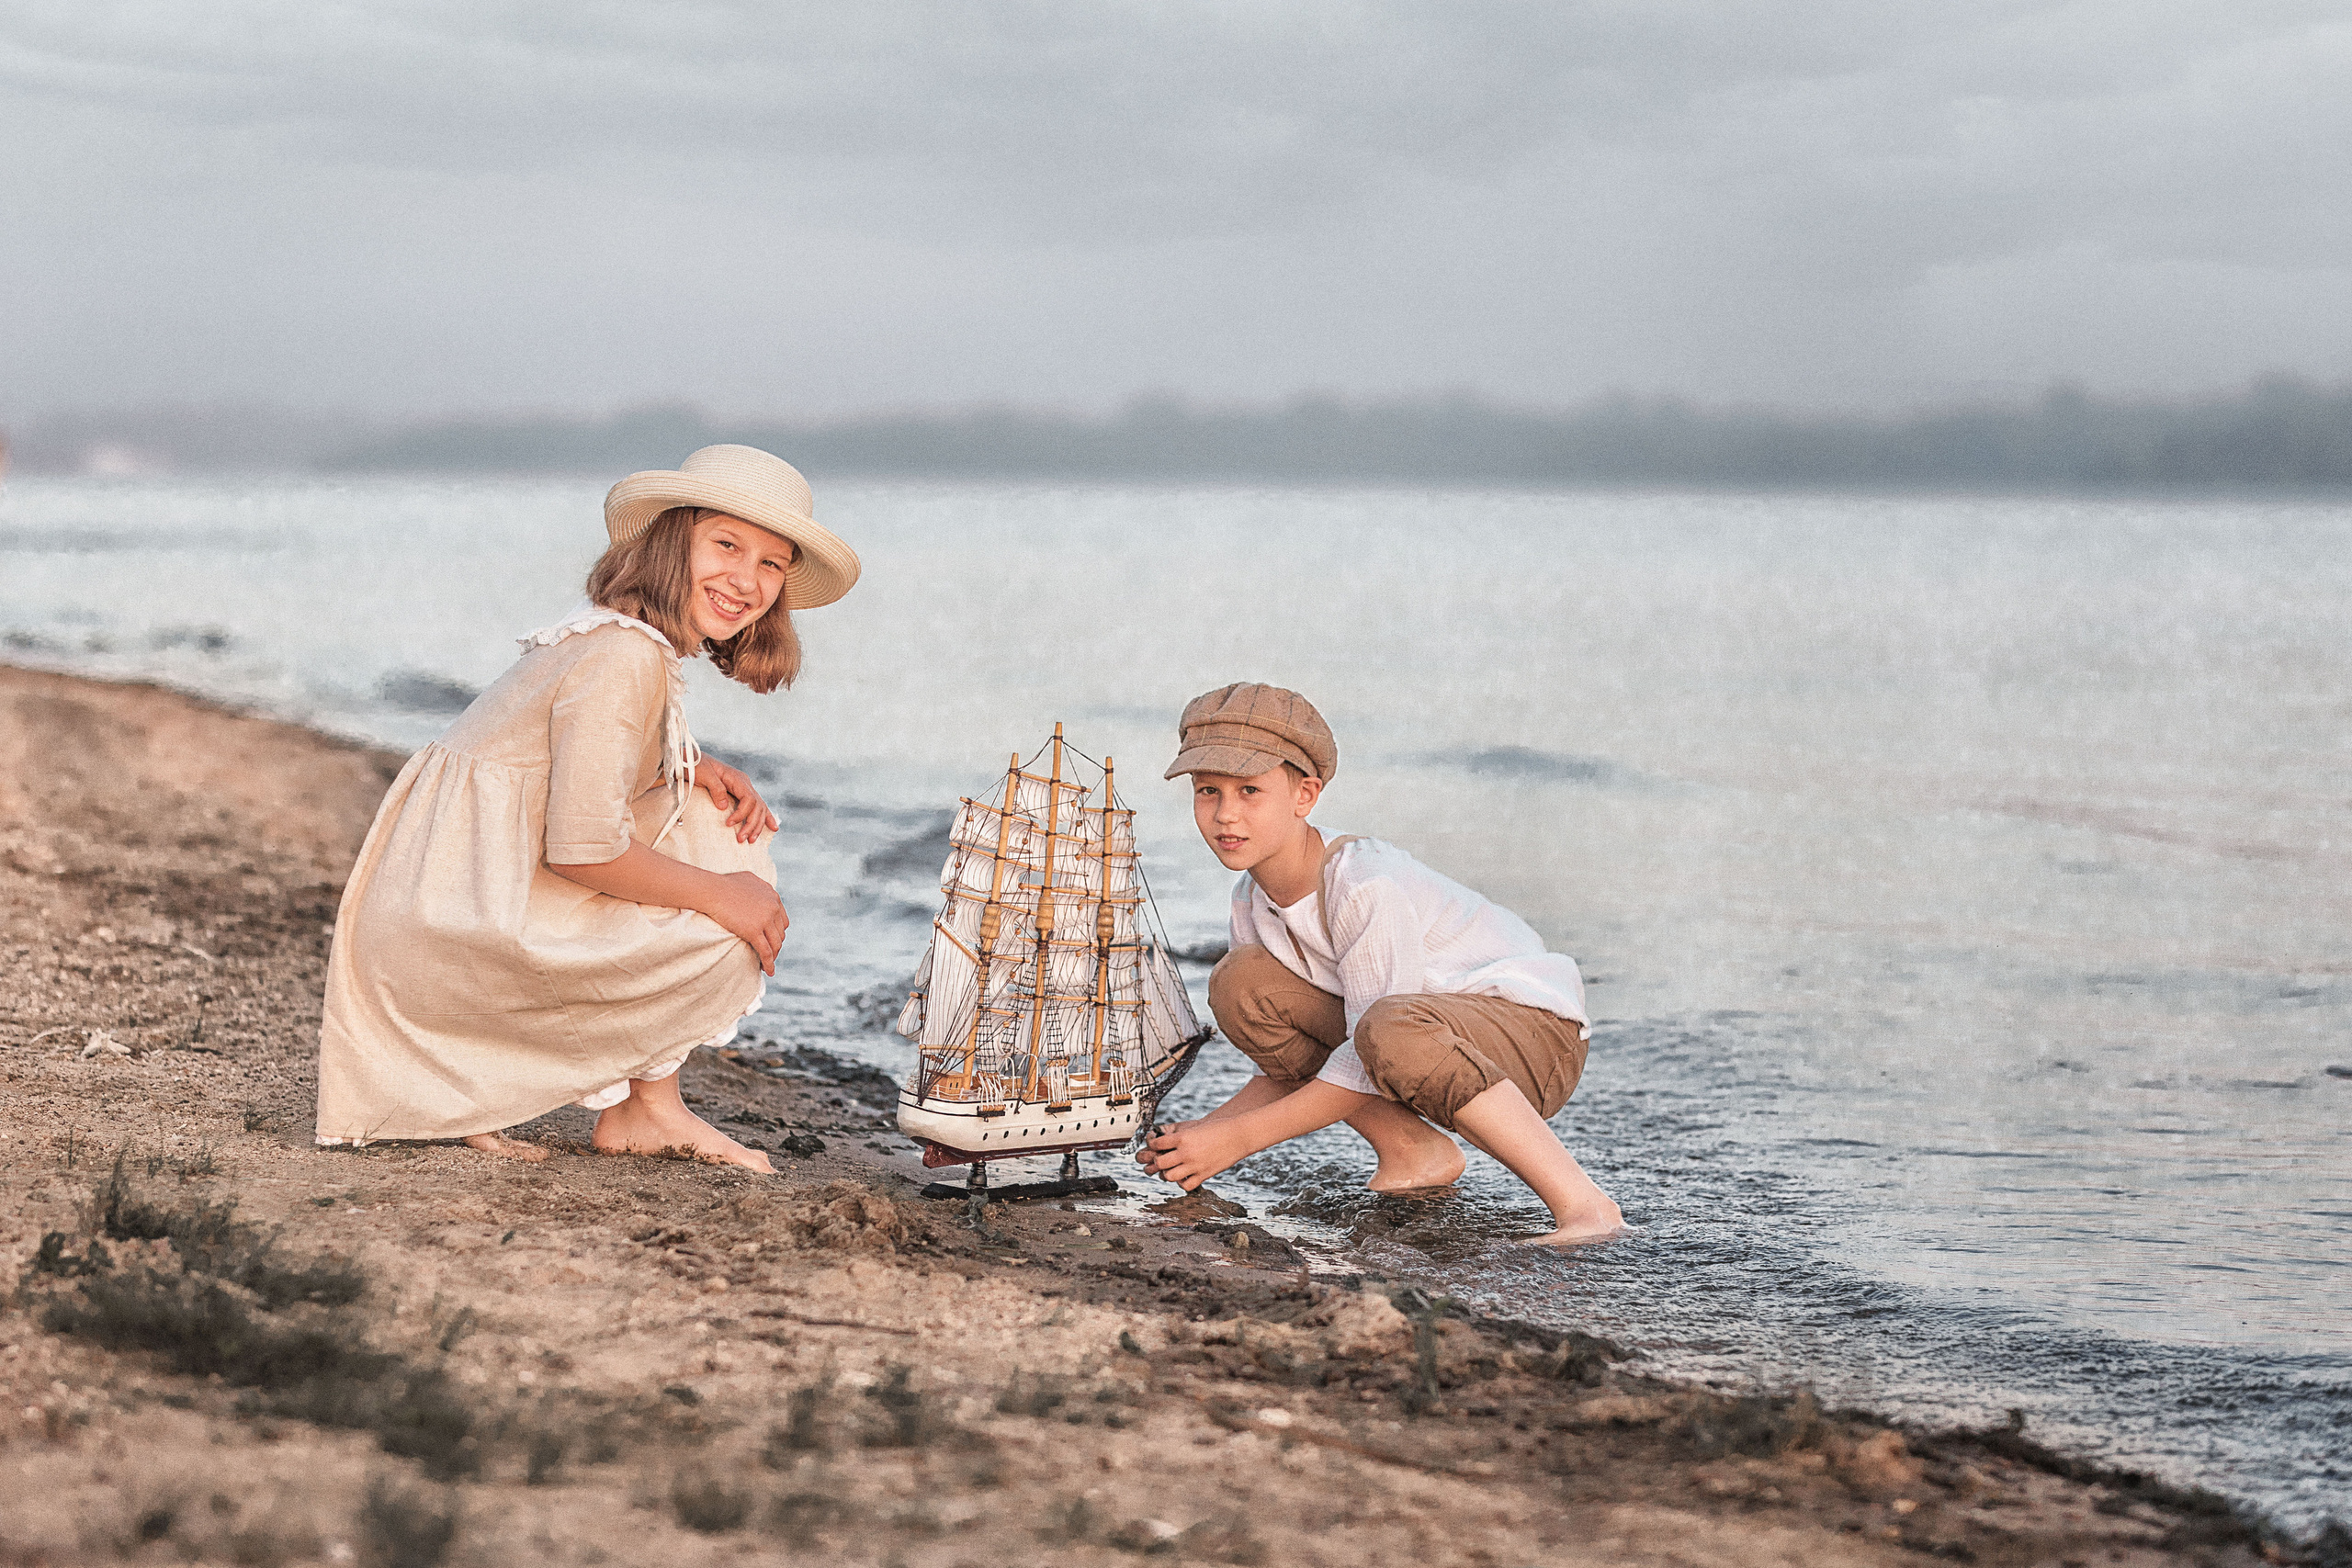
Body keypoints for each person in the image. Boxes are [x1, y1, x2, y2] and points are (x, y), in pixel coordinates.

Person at [313, 445, 860, 1171]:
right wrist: (722, 894)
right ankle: (509, 1076)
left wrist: (689, 766)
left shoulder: (616, 637)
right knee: (731, 919)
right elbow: (582, 849)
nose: (746, 578)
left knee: (707, 818)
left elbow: (555, 766)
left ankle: (646, 1107)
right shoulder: (623, 657)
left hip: (450, 896)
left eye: (770, 563)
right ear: (672, 541)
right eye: (726, 544)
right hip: (452, 928)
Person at [1138, 683, 1626, 1244]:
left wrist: (1240, 1139)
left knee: (1388, 1027)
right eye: (1208, 791)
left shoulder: (1364, 885)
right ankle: (1411, 1150)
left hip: (1535, 1037)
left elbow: (1371, 1051)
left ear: (1305, 795)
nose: (1226, 814)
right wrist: (1201, 1136)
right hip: (1416, 1039)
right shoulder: (1252, 898)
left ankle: (1586, 1207)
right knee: (1242, 984)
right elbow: (1287, 1068)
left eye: (1250, 790)